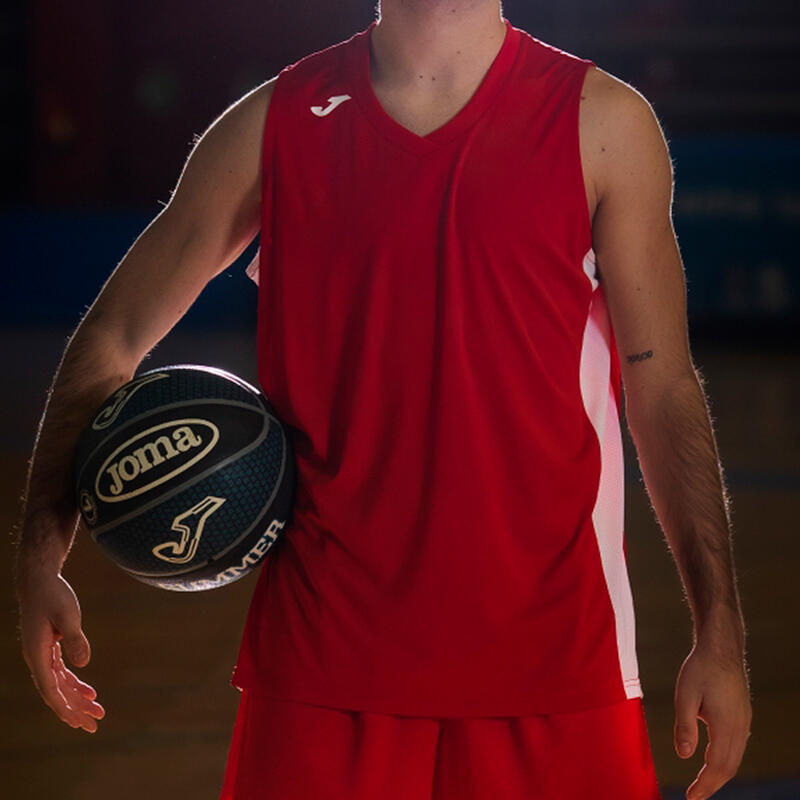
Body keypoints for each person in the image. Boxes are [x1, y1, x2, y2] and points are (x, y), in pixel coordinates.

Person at [14, 1, 752, 798]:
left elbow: (663, 384)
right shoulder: (273, 125)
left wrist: (720, 628)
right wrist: (38, 555)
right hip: (322, 666)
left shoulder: (603, 123)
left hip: (555, 665)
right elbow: (113, 337)